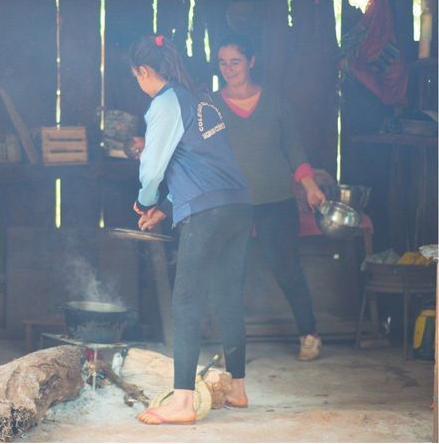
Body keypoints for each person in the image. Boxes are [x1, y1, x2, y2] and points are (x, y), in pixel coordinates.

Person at [129, 34, 253, 425]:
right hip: (237, 205)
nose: (139, 84)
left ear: (144, 71)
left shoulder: (165, 103)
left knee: (186, 302)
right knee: (228, 296)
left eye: (137, 77)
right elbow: (201, 165)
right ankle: (238, 388)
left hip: (208, 213)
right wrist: (165, 210)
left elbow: (153, 167)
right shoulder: (202, 99)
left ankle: (182, 403)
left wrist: (147, 201)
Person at [212, 34, 326, 362]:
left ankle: (309, 333)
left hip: (276, 201)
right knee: (230, 273)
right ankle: (232, 346)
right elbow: (202, 154)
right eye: (222, 62)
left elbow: (294, 151)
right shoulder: (213, 106)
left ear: (251, 62)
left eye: (235, 61)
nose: (229, 69)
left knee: (287, 269)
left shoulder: (275, 103)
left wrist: (310, 186)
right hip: (233, 204)